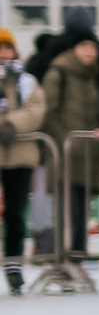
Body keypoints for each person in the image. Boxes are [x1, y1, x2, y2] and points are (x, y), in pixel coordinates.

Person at [39, 28, 99, 266]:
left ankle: (77, 259)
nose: (89, 51)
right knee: (66, 211)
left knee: (82, 212)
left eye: (92, 47)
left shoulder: (92, 76)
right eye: (83, 46)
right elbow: (49, 112)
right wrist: (65, 142)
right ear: (74, 48)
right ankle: (61, 260)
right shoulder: (59, 72)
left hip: (87, 156)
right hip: (65, 153)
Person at [0, 27, 43, 292]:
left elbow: (36, 109)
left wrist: (11, 124)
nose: (3, 53)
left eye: (7, 47)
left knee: (15, 213)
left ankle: (13, 265)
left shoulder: (26, 81)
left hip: (20, 153)